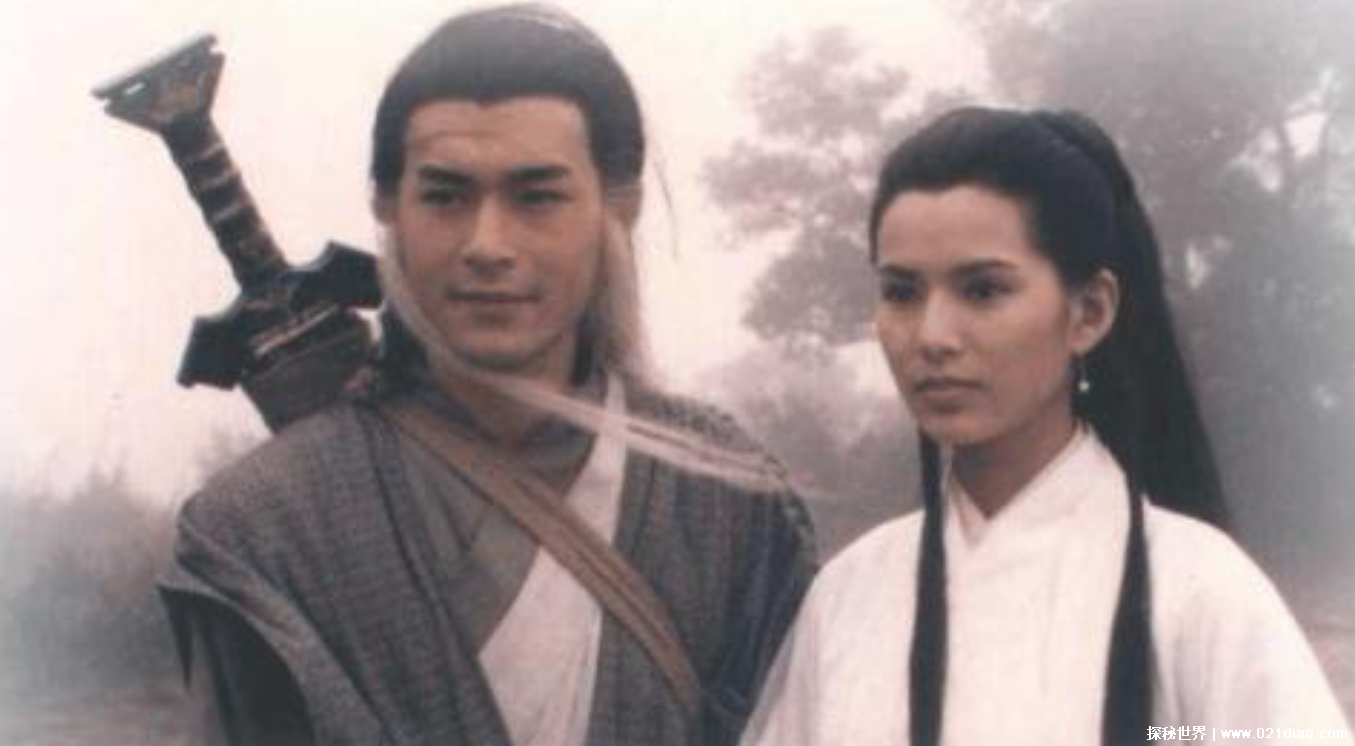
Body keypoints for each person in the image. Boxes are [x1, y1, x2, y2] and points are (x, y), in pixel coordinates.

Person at [159, 5, 815, 745]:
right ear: (387, 207)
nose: (487, 244)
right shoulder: (262, 529)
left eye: (537, 197)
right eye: (445, 196)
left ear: (618, 208)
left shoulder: (723, 502)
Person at [742, 107, 1349, 745]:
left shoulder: (1199, 594)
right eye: (901, 292)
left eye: (982, 290)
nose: (932, 335)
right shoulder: (848, 596)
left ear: (1089, 312)